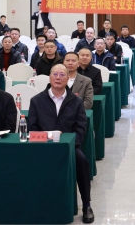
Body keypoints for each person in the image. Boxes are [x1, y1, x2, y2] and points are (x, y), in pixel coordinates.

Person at [26, 63, 95, 223]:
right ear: (49, 77)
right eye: (55, 74)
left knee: (82, 162)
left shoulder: (76, 101)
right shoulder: (36, 100)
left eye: (62, 75)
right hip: (42, 146)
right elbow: (32, 126)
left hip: (68, 147)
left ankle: (86, 205)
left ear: (68, 78)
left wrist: (71, 143)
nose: (58, 77)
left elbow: (81, 127)